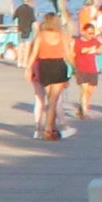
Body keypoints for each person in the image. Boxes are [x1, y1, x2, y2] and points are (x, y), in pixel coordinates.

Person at [28, 12, 72, 140]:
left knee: (50, 99)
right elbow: (68, 55)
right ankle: (48, 130)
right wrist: (76, 67)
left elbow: (34, 54)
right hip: (58, 65)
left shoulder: (40, 36)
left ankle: (51, 128)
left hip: (45, 66)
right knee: (53, 101)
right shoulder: (62, 36)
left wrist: (28, 68)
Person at [71, 11, 102, 121]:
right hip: (81, 69)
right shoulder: (78, 42)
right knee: (84, 90)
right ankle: (85, 112)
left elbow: (100, 50)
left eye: (93, 33)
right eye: (89, 33)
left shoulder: (94, 41)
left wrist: (100, 48)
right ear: (84, 32)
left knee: (90, 91)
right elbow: (82, 50)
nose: (91, 35)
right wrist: (92, 49)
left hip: (92, 69)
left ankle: (82, 107)